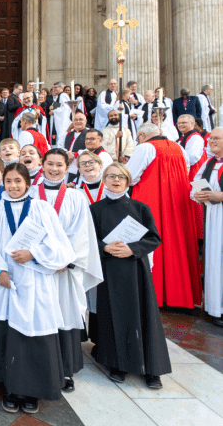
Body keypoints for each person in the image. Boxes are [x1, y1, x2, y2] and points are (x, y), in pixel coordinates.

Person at [0, 163, 75, 414]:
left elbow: (60, 246)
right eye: (8, 181)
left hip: (35, 282)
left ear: (28, 183)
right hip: (6, 282)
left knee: (35, 335)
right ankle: (11, 389)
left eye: (18, 181)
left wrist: (33, 253)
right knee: (8, 335)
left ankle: (33, 391)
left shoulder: (41, 208)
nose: (13, 186)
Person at [90, 163, 170, 389]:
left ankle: (152, 369)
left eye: (121, 177)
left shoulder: (140, 207)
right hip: (109, 270)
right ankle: (117, 363)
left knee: (144, 315)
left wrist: (132, 249)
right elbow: (88, 239)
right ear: (105, 179)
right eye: (111, 176)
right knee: (113, 315)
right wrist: (104, 248)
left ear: (128, 181)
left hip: (136, 270)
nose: (116, 180)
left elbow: (153, 238)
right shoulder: (95, 209)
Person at [30, 149, 103, 392]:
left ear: (67, 167)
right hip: (37, 268)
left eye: (59, 165)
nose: (53, 169)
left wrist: (64, 260)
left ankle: (65, 370)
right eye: (49, 164)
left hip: (65, 270)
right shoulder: (31, 193)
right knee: (38, 315)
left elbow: (82, 232)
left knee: (64, 315)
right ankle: (39, 366)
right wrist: (40, 258)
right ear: (42, 164)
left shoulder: (76, 196)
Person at [127, 122, 201, 308]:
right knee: (177, 244)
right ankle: (179, 295)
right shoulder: (179, 147)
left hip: (152, 201)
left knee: (153, 244)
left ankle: (156, 294)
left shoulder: (145, 147)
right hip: (177, 203)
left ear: (142, 136)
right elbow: (185, 171)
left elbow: (130, 175)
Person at [192, 127, 223, 327]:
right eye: (211, 138)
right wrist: (197, 194)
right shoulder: (209, 162)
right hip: (212, 218)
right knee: (213, 261)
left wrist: (220, 196)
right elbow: (196, 183)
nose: (212, 141)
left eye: (217, 138)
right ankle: (215, 308)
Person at [48, 82, 71, 148]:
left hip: (63, 121)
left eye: (56, 87)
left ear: (61, 87)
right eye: (53, 87)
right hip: (59, 121)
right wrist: (52, 106)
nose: (54, 89)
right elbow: (59, 106)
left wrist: (54, 112)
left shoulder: (63, 95)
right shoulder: (59, 96)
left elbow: (65, 108)